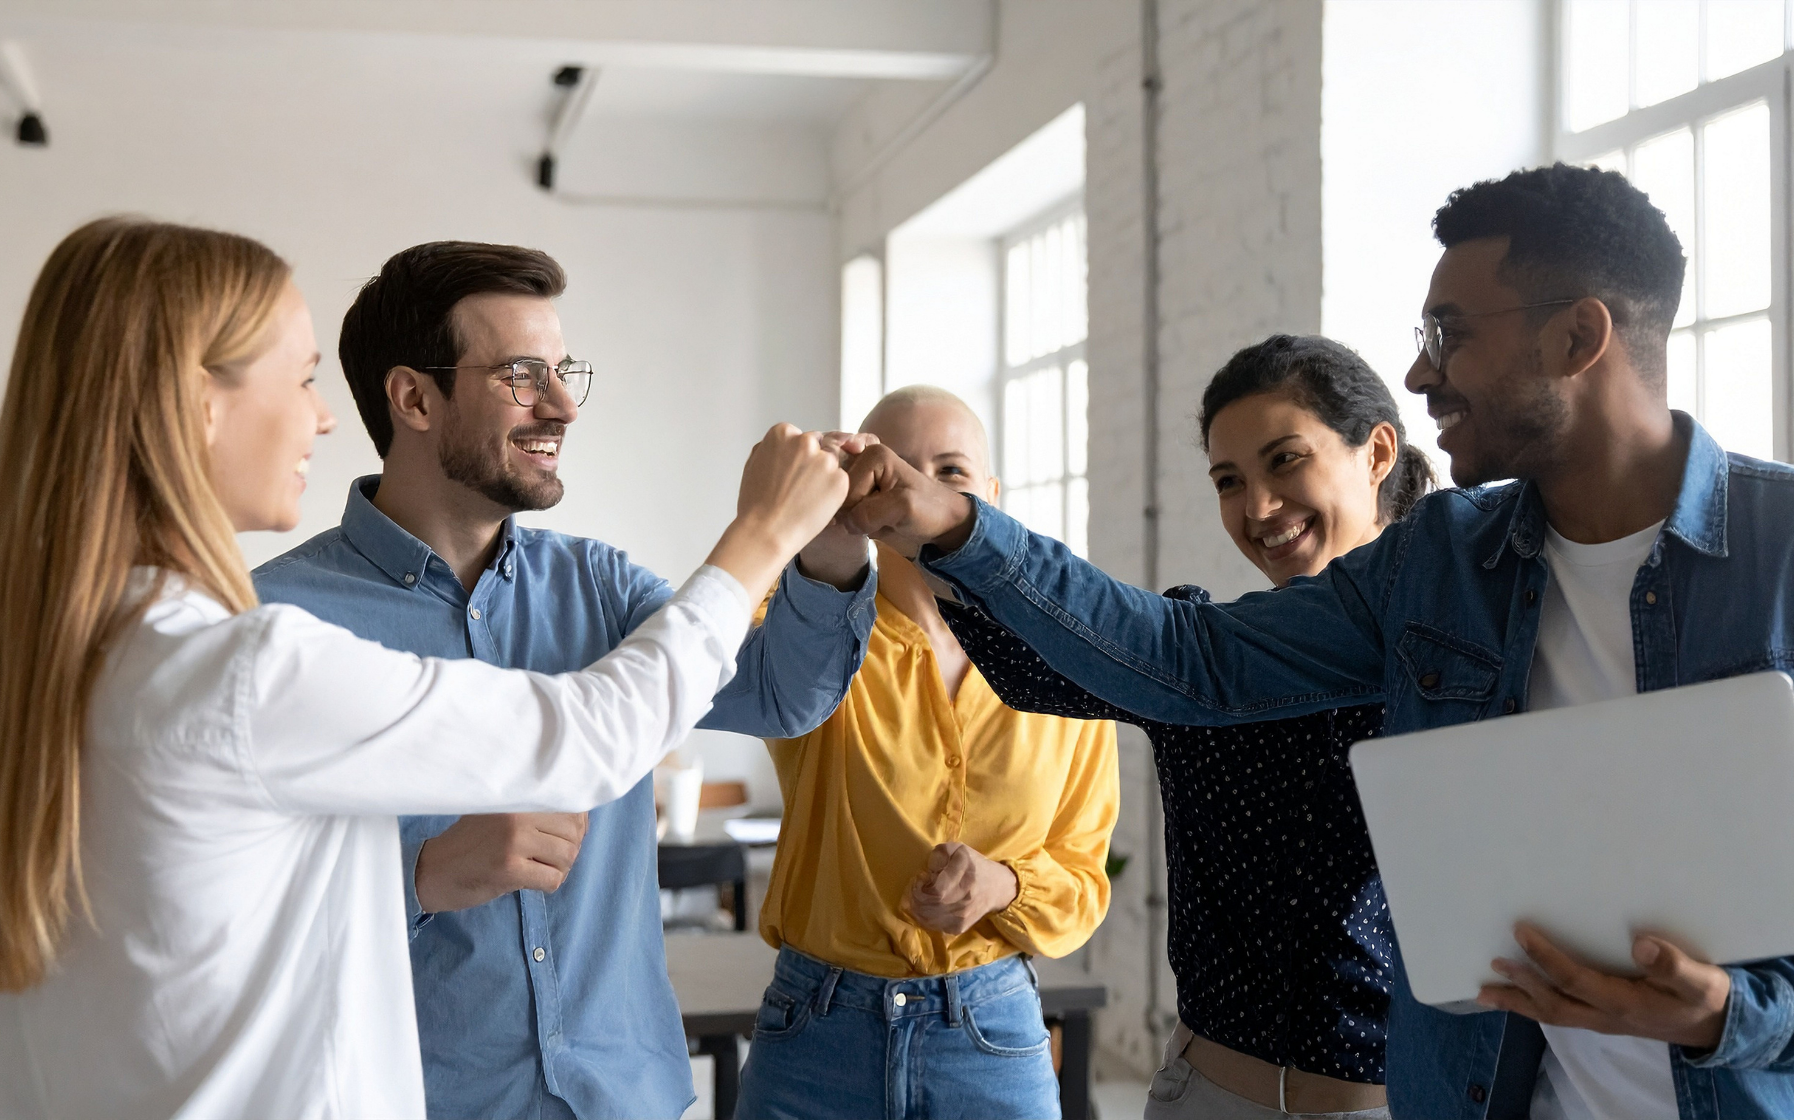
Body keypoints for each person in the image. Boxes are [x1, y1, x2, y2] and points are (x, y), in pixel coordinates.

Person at [839, 163, 1794, 1119]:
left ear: (1578, 336)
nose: (1421, 373)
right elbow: (1190, 659)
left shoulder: (1777, 551)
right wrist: (954, 523)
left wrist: (1729, 1016)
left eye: (1450, 335)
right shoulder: (1441, 563)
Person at [0, 217, 850, 1120]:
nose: (325, 415)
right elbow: (588, 736)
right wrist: (762, 534)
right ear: (197, 403)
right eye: (303, 377)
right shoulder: (247, 654)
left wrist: (821, 558)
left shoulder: (82, 654)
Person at [250, 240, 876, 1120]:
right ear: (414, 397)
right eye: (520, 375)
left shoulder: (604, 588)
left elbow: (781, 691)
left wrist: (834, 544)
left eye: (563, 371)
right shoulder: (272, 623)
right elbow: (240, 901)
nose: (562, 407)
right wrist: (419, 873)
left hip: (626, 1095)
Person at [942, 336, 1432, 1119]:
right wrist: (915, 533)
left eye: (1285, 461)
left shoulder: (1447, 660)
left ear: (1377, 452)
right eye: (1229, 480)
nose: (1258, 507)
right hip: (1202, 1095)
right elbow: (1032, 664)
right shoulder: (1193, 652)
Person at [734, 385, 1120, 1120]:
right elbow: (714, 646)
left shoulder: (1064, 661)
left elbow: (1083, 872)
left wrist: (1005, 885)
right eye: (893, 469)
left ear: (992, 495)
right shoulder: (799, 630)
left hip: (990, 1031)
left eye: (951, 471)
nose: (917, 491)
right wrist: (796, 516)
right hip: (816, 1030)